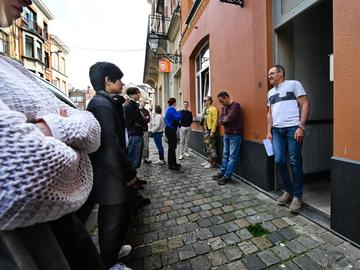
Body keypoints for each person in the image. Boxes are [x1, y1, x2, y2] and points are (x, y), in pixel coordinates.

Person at [0, 1, 105, 269]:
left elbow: (92, 128)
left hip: (64, 235)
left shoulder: (12, 67)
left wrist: (47, 129)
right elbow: (24, 171)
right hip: (28, 249)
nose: (27, 2)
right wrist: (67, 132)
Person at [76, 62, 138, 269]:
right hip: (111, 176)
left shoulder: (107, 102)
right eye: (119, 79)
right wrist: (128, 172)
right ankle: (110, 263)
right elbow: (110, 145)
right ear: (108, 80)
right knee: (113, 219)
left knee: (116, 217)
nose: (122, 83)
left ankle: (113, 250)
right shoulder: (101, 105)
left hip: (112, 174)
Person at [266, 64, 310, 213]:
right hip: (277, 131)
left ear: (281, 73)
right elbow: (269, 113)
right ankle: (288, 191)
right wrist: (269, 131)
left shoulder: (293, 84)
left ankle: (297, 196)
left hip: (293, 129)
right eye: (268, 74)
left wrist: (301, 127)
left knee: (294, 162)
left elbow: (305, 104)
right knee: (279, 160)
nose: (269, 76)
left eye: (272, 73)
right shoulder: (270, 92)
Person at [212, 91, 243, 185]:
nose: (221, 103)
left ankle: (227, 176)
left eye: (222, 101)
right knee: (225, 154)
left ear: (226, 97)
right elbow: (221, 119)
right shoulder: (223, 107)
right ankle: (222, 172)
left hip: (235, 134)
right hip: (227, 134)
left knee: (232, 156)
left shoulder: (236, 105)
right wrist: (223, 120)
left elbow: (229, 119)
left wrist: (223, 121)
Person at [123, 87, 146, 170]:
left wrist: (141, 121)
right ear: (132, 95)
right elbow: (139, 120)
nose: (139, 94)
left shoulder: (132, 105)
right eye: (137, 93)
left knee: (137, 157)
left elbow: (141, 120)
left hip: (136, 133)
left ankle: (134, 178)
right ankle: (132, 180)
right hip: (134, 134)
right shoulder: (129, 106)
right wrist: (140, 122)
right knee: (134, 158)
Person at [200, 96, 218, 168]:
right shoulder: (205, 109)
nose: (203, 102)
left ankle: (213, 163)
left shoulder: (213, 109)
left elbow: (215, 120)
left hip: (210, 130)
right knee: (207, 146)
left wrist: (213, 131)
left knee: (211, 146)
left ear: (209, 101)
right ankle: (208, 160)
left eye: (205, 100)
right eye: (203, 100)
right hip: (205, 130)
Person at [165, 97, 182, 170]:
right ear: (174, 103)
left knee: (172, 147)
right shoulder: (172, 110)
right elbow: (178, 118)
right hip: (171, 130)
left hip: (169, 130)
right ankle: (171, 165)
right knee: (172, 148)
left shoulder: (168, 109)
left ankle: (173, 163)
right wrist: (179, 112)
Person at [139, 99, 151, 164]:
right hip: (138, 130)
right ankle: (139, 158)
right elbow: (136, 120)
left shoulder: (146, 111)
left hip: (145, 130)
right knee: (139, 145)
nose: (144, 104)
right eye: (143, 102)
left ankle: (146, 158)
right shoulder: (136, 110)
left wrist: (141, 120)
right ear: (140, 102)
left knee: (146, 145)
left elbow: (148, 120)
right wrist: (144, 119)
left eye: (145, 103)